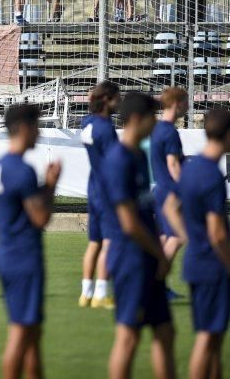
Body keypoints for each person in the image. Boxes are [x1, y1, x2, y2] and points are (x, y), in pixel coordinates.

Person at [103, 92, 175, 379]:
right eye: (151, 116)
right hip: (130, 260)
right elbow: (129, 222)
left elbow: (144, 211)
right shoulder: (118, 160)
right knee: (129, 337)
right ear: (135, 119)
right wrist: (161, 253)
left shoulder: (137, 155)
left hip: (147, 258)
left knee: (166, 332)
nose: (155, 122)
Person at [0, 103, 61, 379]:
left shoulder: (1, 165)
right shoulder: (22, 169)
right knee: (21, 332)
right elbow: (41, 218)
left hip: (7, 254)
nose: (39, 133)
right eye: (37, 126)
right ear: (26, 127)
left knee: (31, 332)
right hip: (24, 257)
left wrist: (44, 186)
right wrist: (52, 185)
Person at [168, 108, 230, 379]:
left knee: (214, 339)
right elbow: (217, 233)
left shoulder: (191, 168)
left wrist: (187, 236)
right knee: (207, 339)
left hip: (196, 261)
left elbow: (171, 206)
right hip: (212, 266)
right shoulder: (213, 176)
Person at [79, 81, 120, 310]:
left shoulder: (87, 122)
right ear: (106, 100)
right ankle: (102, 293)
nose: (119, 102)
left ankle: (86, 293)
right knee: (109, 241)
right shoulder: (105, 128)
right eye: (116, 97)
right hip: (108, 189)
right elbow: (116, 162)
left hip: (93, 186)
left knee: (94, 242)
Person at [149, 87, 188, 300]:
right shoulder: (169, 132)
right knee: (177, 237)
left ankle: (159, 285)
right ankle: (156, 286)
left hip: (160, 190)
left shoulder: (158, 129)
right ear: (176, 104)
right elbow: (173, 164)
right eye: (186, 101)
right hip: (171, 191)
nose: (188, 106)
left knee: (165, 238)